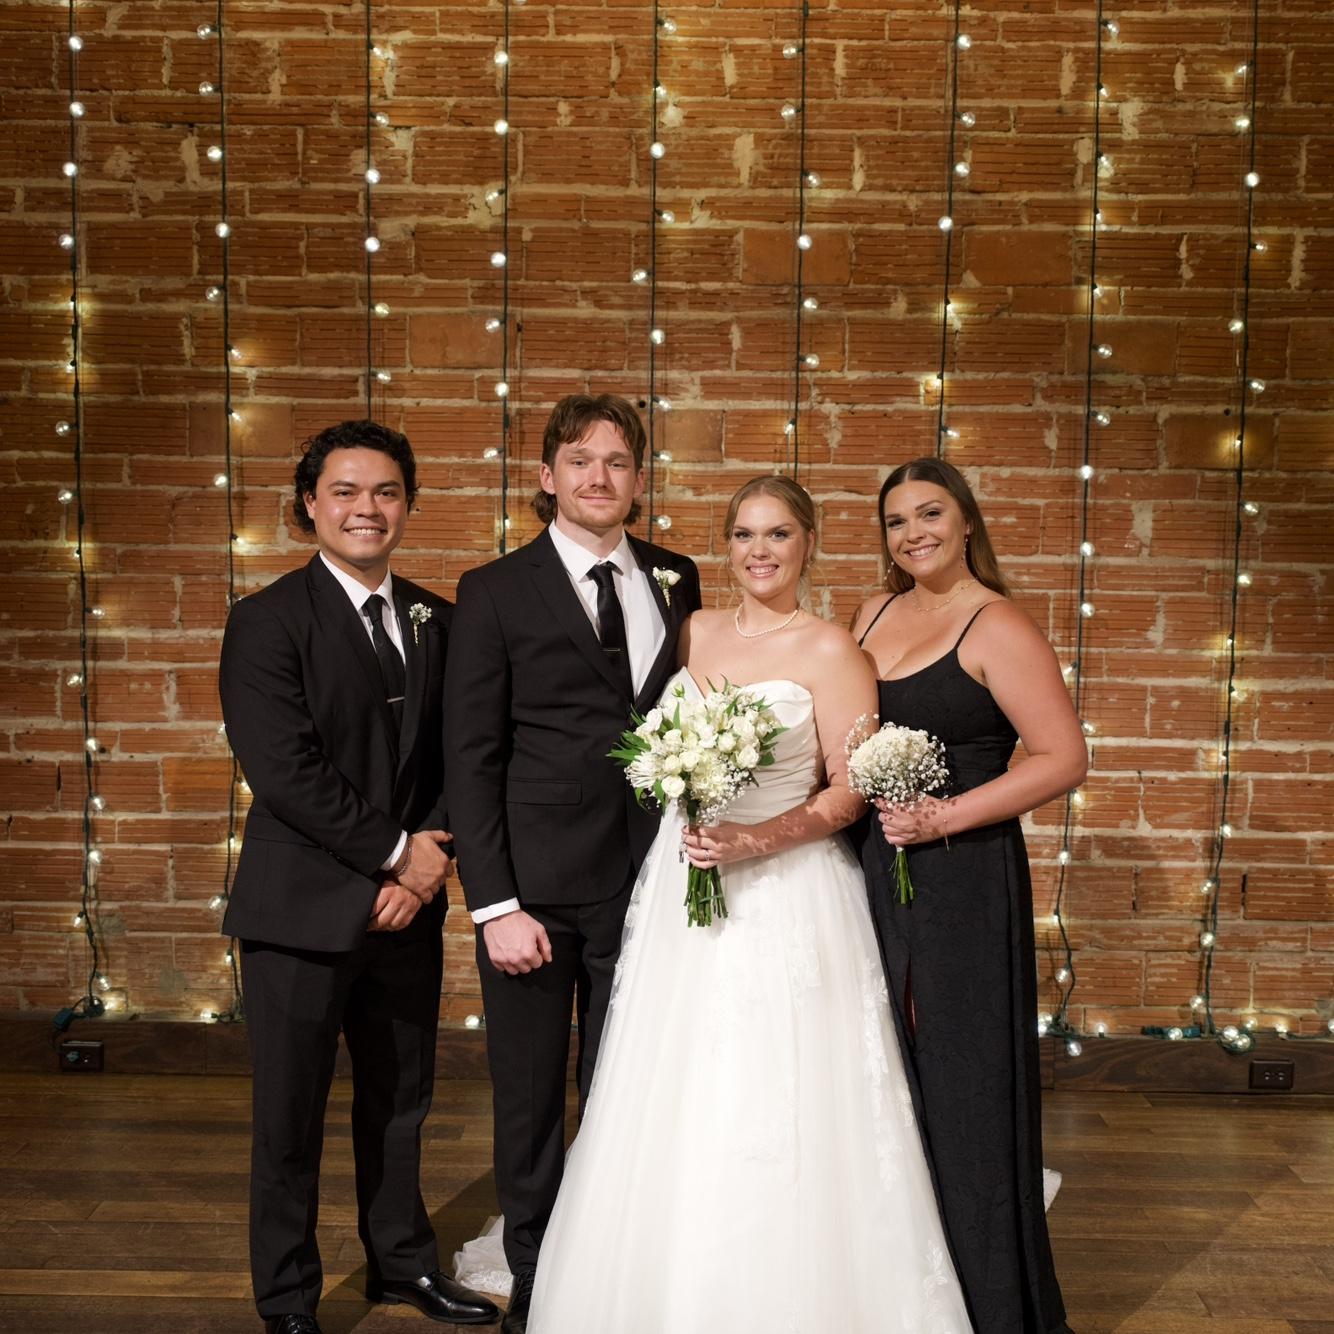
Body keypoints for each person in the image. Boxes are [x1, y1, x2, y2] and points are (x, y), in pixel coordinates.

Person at [526, 476, 973, 1334]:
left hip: (788, 893)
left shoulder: (834, 651)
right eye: (743, 535)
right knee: (671, 1082)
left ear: (808, 543)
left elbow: (847, 792)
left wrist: (753, 842)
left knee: (778, 1088)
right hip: (683, 889)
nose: (758, 552)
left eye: (777, 535)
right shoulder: (694, 630)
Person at [219, 421, 499, 1334]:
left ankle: (402, 1265)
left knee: (401, 1103)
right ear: (310, 504)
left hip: (407, 910)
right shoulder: (265, 621)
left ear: (407, 505)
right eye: (344, 491)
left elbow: (464, 755)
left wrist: (425, 868)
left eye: (385, 491)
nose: (365, 508)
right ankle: (288, 1300)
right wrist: (394, 855)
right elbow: (285, 771)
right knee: (288, 1118)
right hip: (298, 912)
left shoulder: (440, 620)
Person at [444, 394, 701, 1333]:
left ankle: (610, 1272)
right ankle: (536, 1281)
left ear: (639, 478)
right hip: (536, 892)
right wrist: (493, 904)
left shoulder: (677, 576)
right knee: (530, 1099)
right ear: (547, 476)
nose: (600, 477)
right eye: (580, 460)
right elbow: (470, 755)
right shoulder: (493, 589)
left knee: (627, 1088)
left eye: (618, 461)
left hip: (649, 880)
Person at [852, 457, 1087, 1334]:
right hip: (872, 868)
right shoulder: (869, 615)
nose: (913, 533)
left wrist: (944, 817)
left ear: (965, 521)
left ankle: (991, 1305)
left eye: (930, 513)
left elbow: (1064, 758)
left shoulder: (999, 624)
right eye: (896, 520)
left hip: (963, 877)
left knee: (962, 1086)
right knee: (885, 1076)